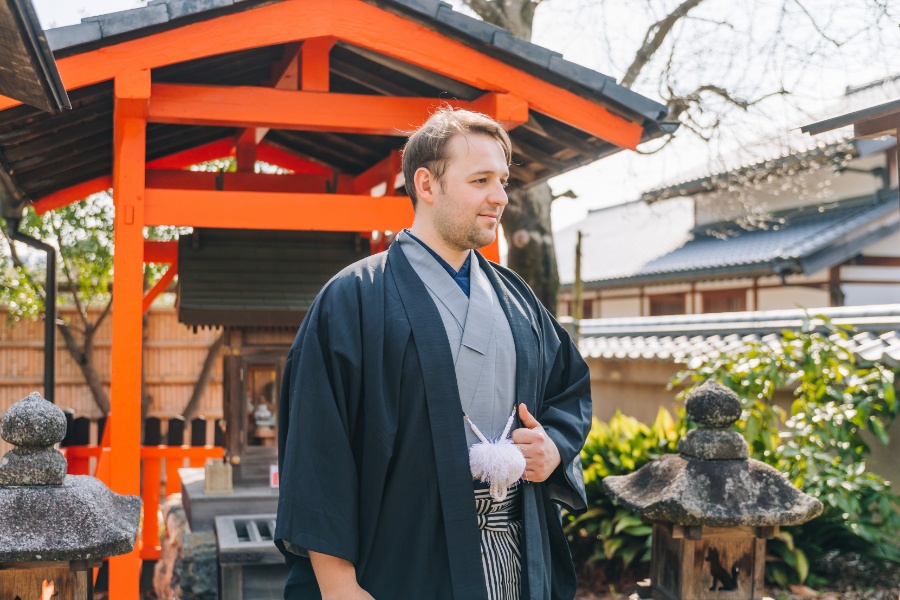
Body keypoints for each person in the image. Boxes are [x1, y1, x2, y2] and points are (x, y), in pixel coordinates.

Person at [275, 107, 592, 600]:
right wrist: (338, 585)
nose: (500, 197)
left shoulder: (517, 297)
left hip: (517, 550)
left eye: (503, 181)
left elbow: (569, 388)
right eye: (481, 179)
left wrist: (552, 447)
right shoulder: (353, 297)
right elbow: (319, 450)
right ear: (426, 184)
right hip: (402, 561)